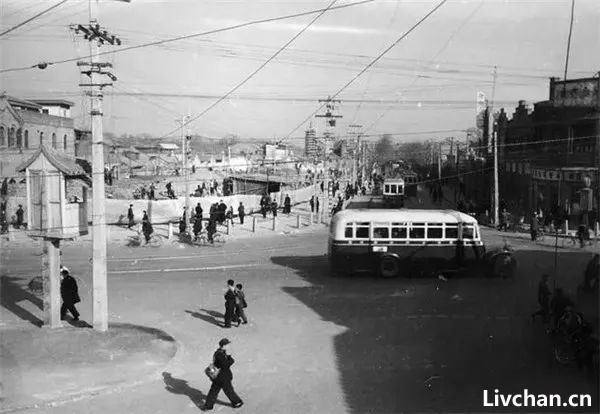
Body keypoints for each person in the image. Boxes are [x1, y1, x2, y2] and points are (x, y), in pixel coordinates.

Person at [202, 338, 243, 410]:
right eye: (227, 344)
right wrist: (229, 357)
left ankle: (208, 406)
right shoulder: (220, 354)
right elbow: (225, 365)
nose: (229, 346)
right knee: (228, 390)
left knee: (214, 391)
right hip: (223, 377)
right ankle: (236, 402)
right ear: (224, 345)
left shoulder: (219, 352)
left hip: (218, 376)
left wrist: (227, 356)